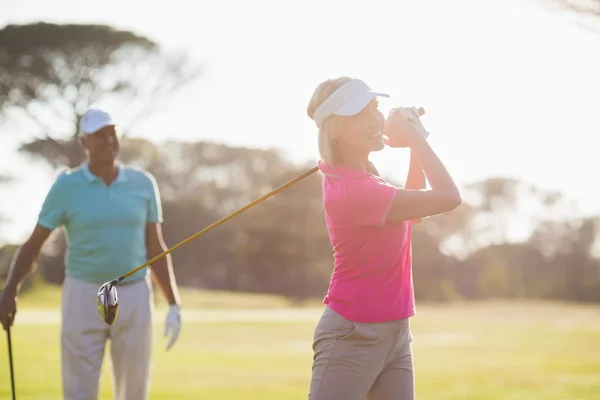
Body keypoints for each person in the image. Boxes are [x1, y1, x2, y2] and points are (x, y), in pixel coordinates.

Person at [0, 108, 183, 400]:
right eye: (99, 135)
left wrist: (174, 303)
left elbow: (156, 247)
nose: (108, 140)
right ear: (84, 142)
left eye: (112, 132)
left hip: (134, 295)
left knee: (134, 391)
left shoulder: (143, 183)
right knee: (78, 391)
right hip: (83, 295)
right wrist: (10, 289)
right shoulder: (66, 186)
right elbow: (34, 243)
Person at [305, 77, 462, 400]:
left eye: (375, 108)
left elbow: (411, 211)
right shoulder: (356, 190)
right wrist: (417, 140)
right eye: (361, 114)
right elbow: (448, 197)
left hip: (395, 331)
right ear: (335, 130)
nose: (376, 119)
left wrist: (414, 148)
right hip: (353, 333)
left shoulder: (367, 178)